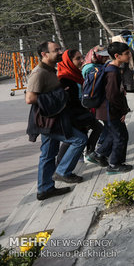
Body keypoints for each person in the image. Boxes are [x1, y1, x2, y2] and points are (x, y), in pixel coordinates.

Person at [26, 41, 87, 200]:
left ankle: (45, 189)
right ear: (44, 54)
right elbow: (30, 98)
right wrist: (60, 94)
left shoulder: (50, 70)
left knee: (48, 154)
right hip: (48, 121)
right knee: (80, 140)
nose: (60, 52)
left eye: (60, 48)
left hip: (53, 118)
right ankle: (62, 172)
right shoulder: (38, 73)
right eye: (56, 50)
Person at [56, 49, 103, 166]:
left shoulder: (75, 73)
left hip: (81, 110)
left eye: (82, 57)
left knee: (86, 133)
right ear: (69, 61)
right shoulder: (64, 78)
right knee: (76, 138)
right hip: (73, 113)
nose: (82, 61)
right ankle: (61, 165)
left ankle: (86, 154)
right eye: (77, 59)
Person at [94, 42, 133, 174]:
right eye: (126, 53)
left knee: (113, 133)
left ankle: (100, 154)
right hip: (110, 111)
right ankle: (114, 164)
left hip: (106, 111)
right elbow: (112, 96)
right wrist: (122, 111)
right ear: (117, 56)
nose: (129, 55)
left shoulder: (111, 68)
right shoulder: (112, 73)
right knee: (121, 136)